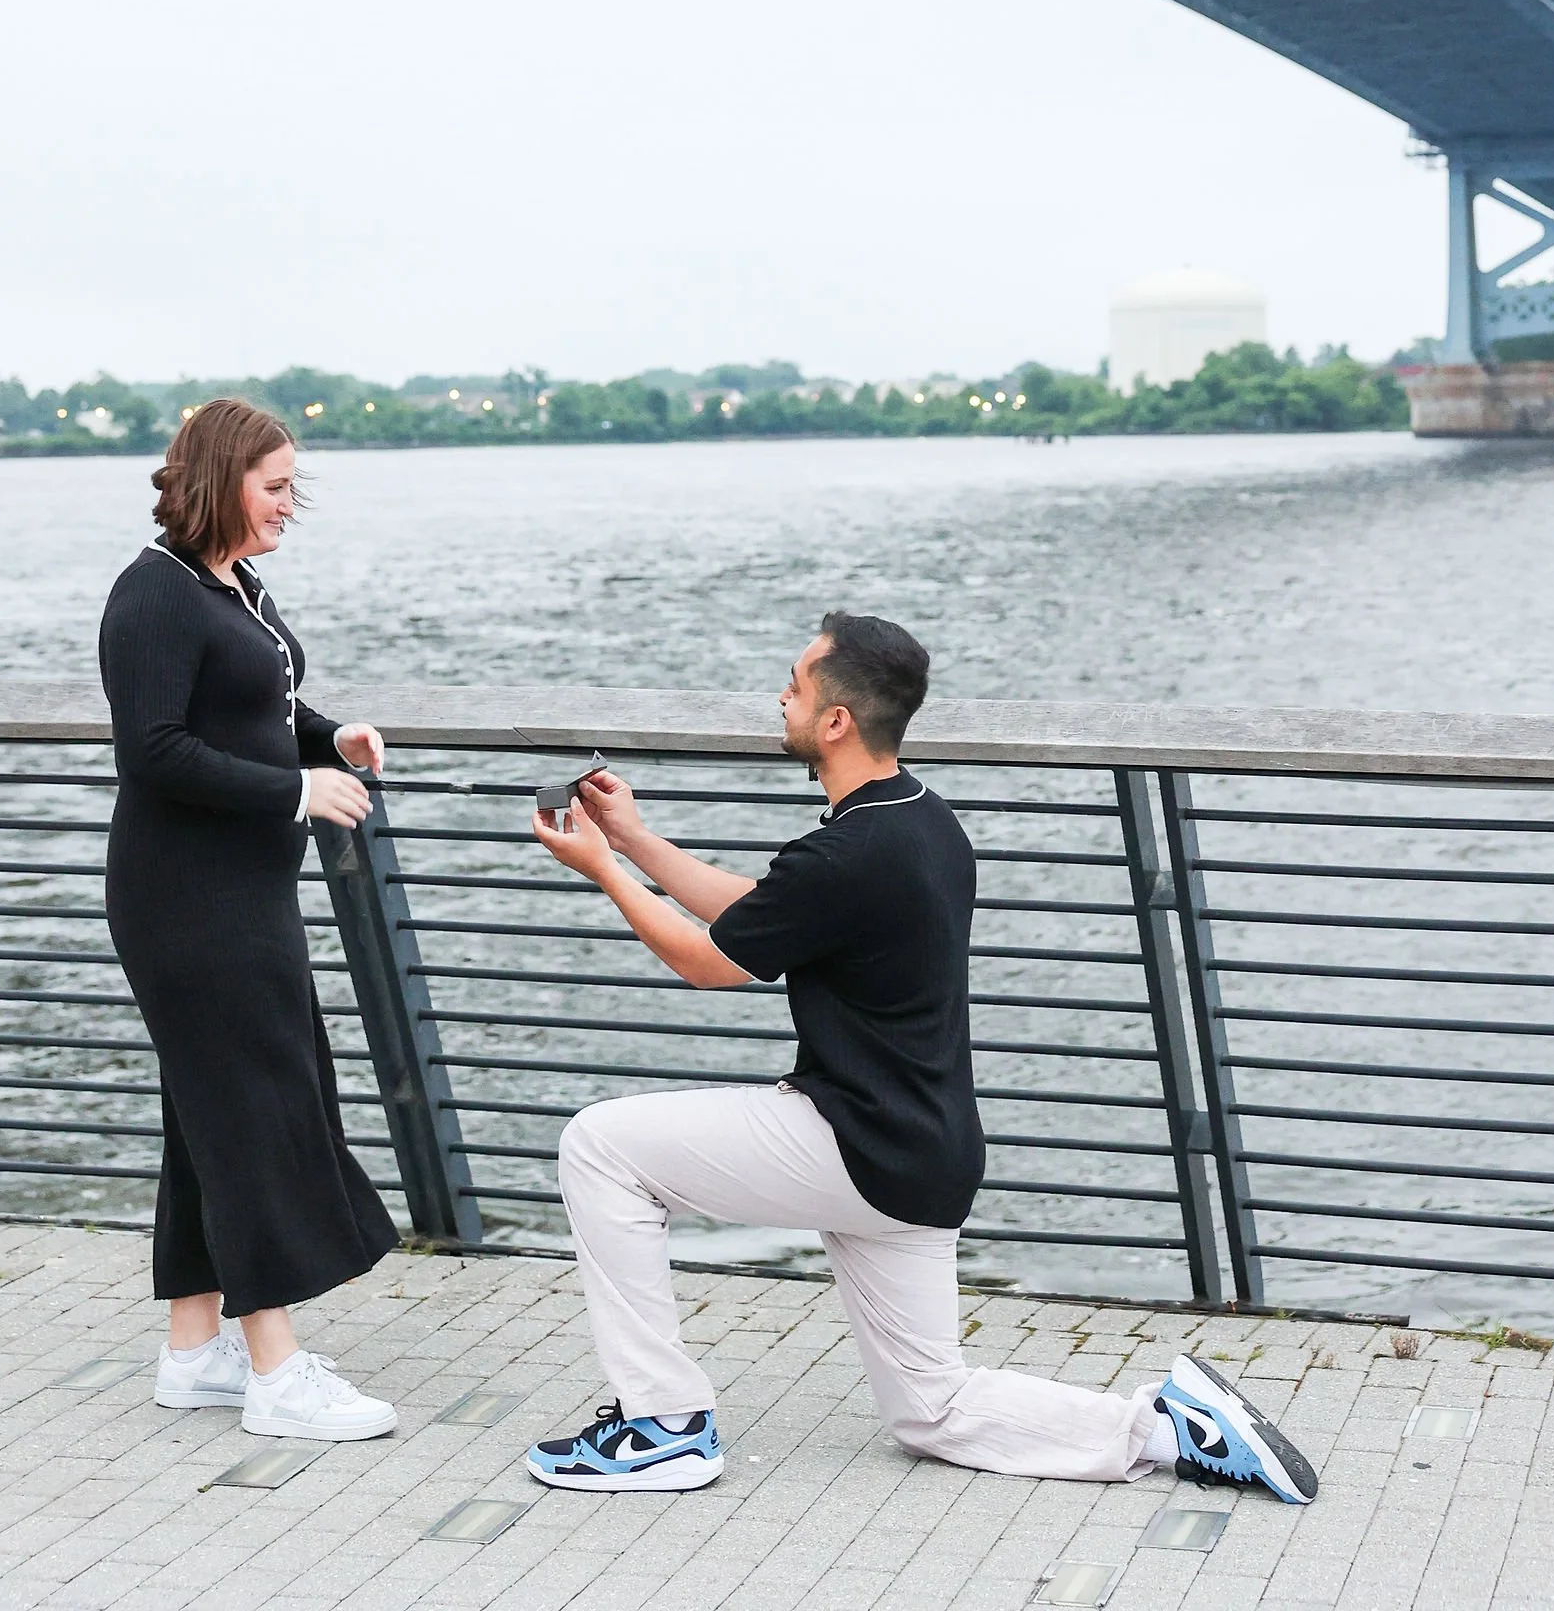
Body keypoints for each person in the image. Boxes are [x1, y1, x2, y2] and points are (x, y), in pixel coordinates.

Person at [525, 609, 1316, 1502]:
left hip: (852, 1141)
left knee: (600, 1145)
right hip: (923, 1154)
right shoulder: (922, 820)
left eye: (795, 685)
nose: (780, 697)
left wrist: (603, 872)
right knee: (931, 1412)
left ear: (835, 720)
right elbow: (765, 913)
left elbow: (709, 962)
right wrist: (631, 840)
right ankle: (1171, 1428)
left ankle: (663, 1424)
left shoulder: (850, 850)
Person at [98, 396, 401, 1442]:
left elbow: (257, 706)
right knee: (251, 1110)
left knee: (208, 1112)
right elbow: (153, 752)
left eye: (291, 487)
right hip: (186, 902)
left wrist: (330, 738)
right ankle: (275, 1371)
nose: (287, 504)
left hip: (245, 893)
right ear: (221, 480)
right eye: (274, 486)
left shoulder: (233, 584)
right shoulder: (152, 594)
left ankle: (194, 1352)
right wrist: (295, 791)